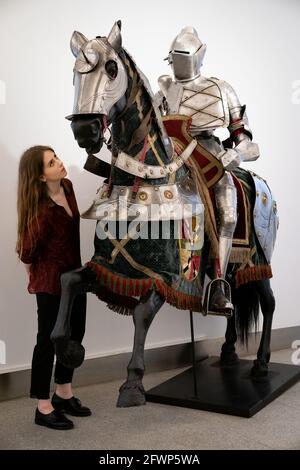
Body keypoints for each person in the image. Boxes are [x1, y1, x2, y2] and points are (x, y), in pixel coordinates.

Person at [157, 27, 260, 314]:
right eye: (174, 57)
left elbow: (249, 143)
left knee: (228, 213)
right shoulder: (164, 91)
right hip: (174, 158)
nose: (179, 62)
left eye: (183, 56)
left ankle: (217, 285)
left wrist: (236, 154)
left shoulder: (222, 89)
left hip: (212, 160)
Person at [16, 145, 91, 430]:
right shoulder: (41, 212)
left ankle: (63, 393)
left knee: (75, 334)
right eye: (51, 162)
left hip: (76, 278)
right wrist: (36, 280)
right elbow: (26, 253)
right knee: (47, 341)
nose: (59, 163)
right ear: (39, 177)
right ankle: (43, 406)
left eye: (56, 157)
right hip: (51, 285)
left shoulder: (68, 187)